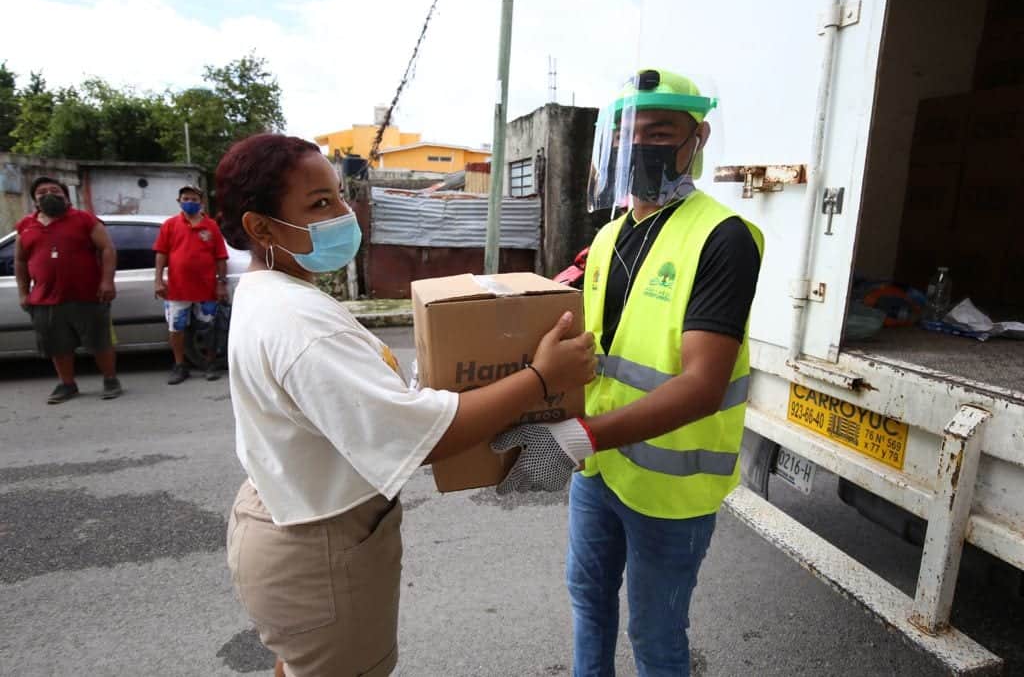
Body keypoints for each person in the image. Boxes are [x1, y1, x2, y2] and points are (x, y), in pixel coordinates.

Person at [216, 133, 596, 677]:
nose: (344, 215)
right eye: (320, 204)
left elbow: (349, 404)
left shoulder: (269, 291)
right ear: (261, 226)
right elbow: (429, 441)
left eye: (340, 197)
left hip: (292, 518)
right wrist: (542, 378)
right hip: (318, 544)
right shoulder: (299, 320)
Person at [490, 69, 765, 676]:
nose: (639, 147)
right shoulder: (611, 236)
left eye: (660, 131)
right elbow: (586, 354)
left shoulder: (723, 239)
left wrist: (573, 438)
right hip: (600, 470)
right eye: (626, 135)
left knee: (656, 634)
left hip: (671, 486)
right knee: (588, 602)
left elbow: (702, 386)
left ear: (699, 138)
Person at [13, 176, 122, 404]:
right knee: (58, 345)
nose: (49, 194)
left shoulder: (84, 219)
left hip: (87, 294)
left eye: (55, 190)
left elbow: (107, 249)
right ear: (35, 200)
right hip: (45, 298)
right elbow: (20, 262)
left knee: (100, 341)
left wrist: (107, 281)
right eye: (42, 192)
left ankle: (110, 380)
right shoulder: (25, 226)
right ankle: (67, 384)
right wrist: (23, 292)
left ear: (66, 195)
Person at [153, 185, 229, 384]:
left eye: (194, 199)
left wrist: (221, 284)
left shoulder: (211, 226)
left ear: (201, 203)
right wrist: (158, 280)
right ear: (179, 201)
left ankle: (210, 364)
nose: (190, 202)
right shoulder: (169, 225)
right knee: (176, 329)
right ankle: (180, 366)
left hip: (207, 289)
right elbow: (161, 254)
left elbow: (221, 257)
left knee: (209, 328)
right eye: (186, 198)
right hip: (177, 290)